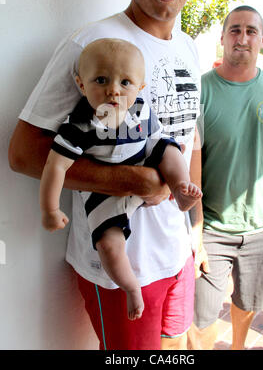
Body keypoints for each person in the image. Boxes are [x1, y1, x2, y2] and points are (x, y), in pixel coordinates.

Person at [8, 0, 206, 350]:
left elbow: (189, 138)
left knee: (175, 346)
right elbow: (23, 154)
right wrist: (129, 180)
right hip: (120, 267)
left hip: (177, 254)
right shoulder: (92, 45)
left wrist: (196, 231)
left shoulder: (191, 49)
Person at [40, 37, 202, 321]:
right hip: (105, 194)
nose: (113, 90)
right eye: (101, 80)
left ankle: (181, 188)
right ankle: (131, 287)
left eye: (125, 82)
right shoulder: (79, 123)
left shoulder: (140, 109)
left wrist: (168, 169)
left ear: (140, 88)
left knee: (168, 147)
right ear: (81, 85)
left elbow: (156, 141)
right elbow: (55, 166)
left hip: (142, 160)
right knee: (108, 245)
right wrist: (50, 210)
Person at [188, 5, 263, 351]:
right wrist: (196, 231)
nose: (242, 37)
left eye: (251, 31)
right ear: (222, 38)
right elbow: (189, 163)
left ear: (262, 40)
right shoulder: (200, 90)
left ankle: (237, 347)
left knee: (248, 303)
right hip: (212, 230)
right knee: (200, 316)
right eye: (234, 30)